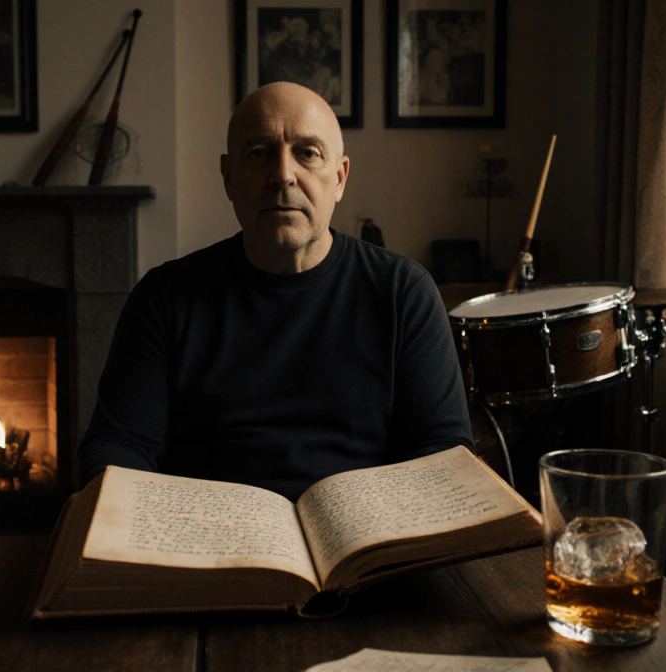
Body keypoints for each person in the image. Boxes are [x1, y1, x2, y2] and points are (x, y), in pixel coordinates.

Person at [76, 82, 472, 500]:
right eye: (259, 153)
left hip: (368, 533)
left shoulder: (404, 292)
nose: (283, 174)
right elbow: (119, 446)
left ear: (339, 179)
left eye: (308, 153)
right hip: (204, 531)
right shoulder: (164, 298)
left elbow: (444, 450)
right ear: (228, 177)